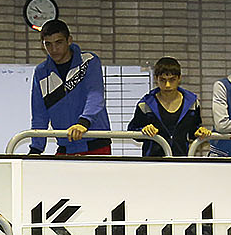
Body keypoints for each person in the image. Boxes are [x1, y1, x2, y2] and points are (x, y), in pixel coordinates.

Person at [28, 19, 111, 155]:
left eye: (59, 42)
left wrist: (83, 123)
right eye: (48, 44)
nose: (54, 49)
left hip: (96, 144)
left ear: (69, 40)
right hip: (65, 147)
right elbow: (39, 115)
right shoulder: (41, 72)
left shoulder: (89, 61)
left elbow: (95, 96)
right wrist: (36, 149)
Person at [126, 57, 209, 158]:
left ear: (179, 78)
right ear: (156, 79)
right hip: (153, 161)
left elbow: (193, 131)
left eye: (172, 80)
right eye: (163, 80)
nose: (167, 85)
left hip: (181, 160)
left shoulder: (193, 103)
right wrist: (144, 130)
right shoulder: (145, 105)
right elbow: (133, 131)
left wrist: (200, 132)